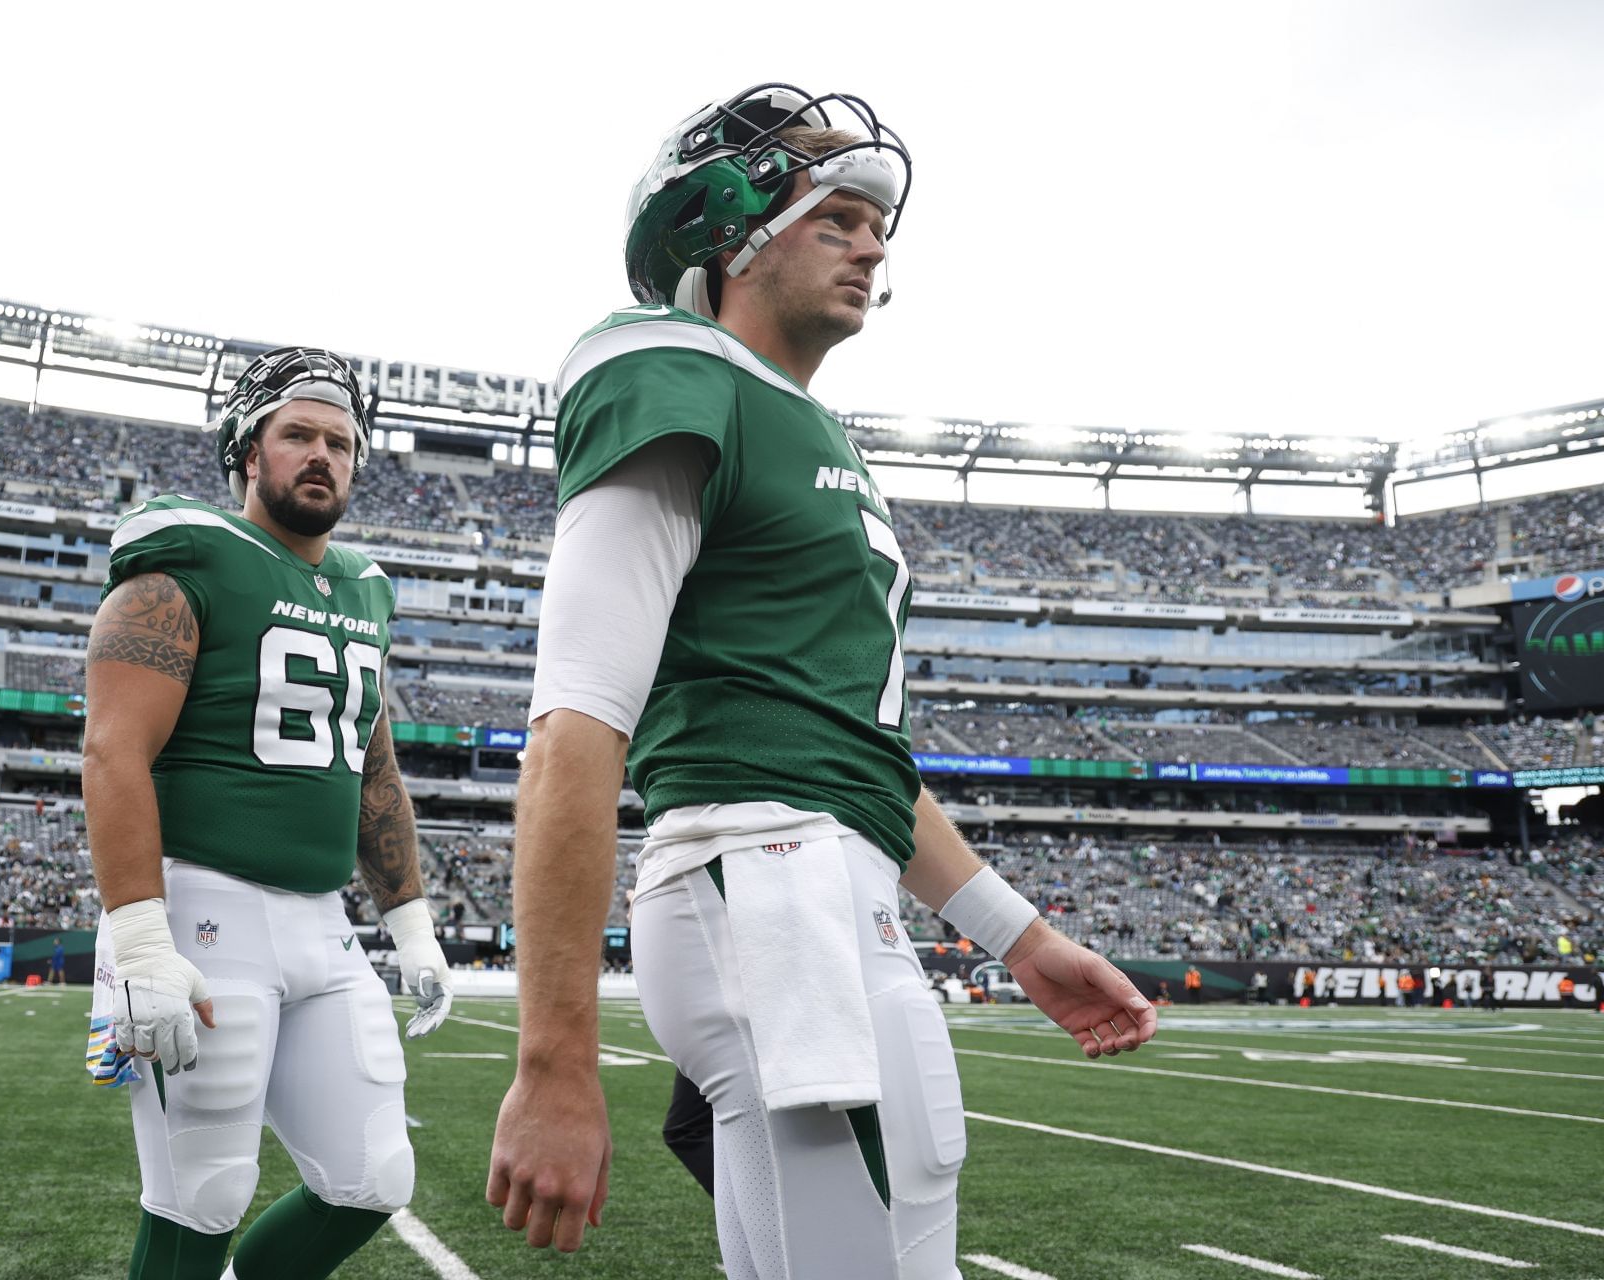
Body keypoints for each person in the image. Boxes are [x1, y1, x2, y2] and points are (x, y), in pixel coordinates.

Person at [486, 84, 1156, 1277]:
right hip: (760, 877)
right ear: (732, 226)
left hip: (842, 885)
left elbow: (858, 761)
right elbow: (574, 725)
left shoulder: (822, 439)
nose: (871, 243)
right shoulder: (671, 371)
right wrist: (554, 1058)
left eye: (877, 226)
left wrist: (1020, 936)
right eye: (837, 215)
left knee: (914, 1228)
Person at [83, 346, 453, 1280]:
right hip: (202, 908)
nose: (323, 454)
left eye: (341, 440)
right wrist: (139, 939)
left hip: (322, 923)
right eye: (299, 435)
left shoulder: (367, 589)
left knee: (374, 1177)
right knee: (200, 1194)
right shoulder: (187, 561)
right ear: (250, 451)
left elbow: (372, 768)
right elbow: (112, 750)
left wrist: (410, 928)